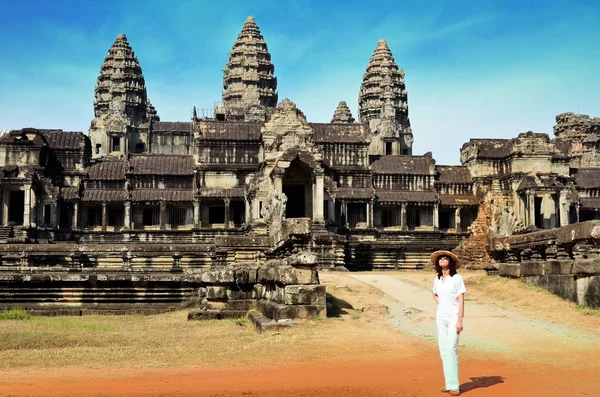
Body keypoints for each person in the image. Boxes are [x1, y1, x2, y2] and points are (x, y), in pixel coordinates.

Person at [431, 250, 466, 396]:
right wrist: (440, 304)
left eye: (445, 258)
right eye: (440, 259)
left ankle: (454, 386)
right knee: (444, 351)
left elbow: (461, 300)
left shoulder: (457, 279)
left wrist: (459, 320)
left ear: (450, 263)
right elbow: (433, 293)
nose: (442, 260)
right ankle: (449, 382)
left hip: (453, 318)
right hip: (441, 317)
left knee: (451, 349)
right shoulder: (437, 279)